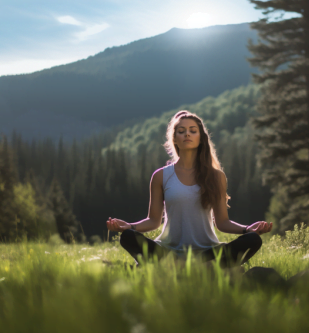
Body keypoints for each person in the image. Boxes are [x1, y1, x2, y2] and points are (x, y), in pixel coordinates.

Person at [106, 110, 272, 268]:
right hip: (168, 251)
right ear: (174, 139)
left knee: (252, 240)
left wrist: (247, 229)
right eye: (181, 131)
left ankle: (186, 267)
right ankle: (194, 268)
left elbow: (222, 223)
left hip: (208, 252)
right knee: (128, 237)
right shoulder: (161, 176)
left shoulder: (216, 177)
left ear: (201, 138)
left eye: (193, 131)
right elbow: (154, 221)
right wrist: (129, 226)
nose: (187, 134)